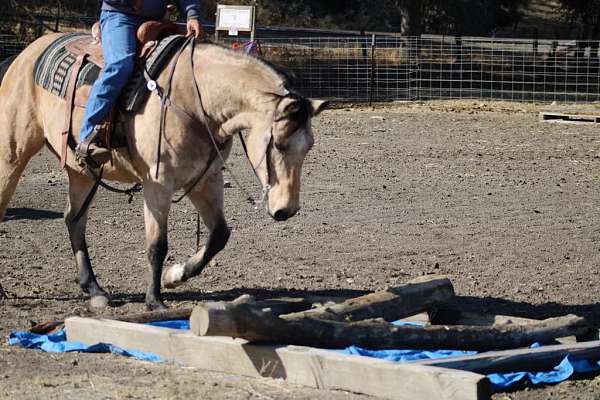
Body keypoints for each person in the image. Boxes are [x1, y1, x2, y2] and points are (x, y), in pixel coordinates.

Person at [76, 0, 203, 163]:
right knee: (120, 65)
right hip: (120, 15)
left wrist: (192, 15)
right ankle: (87, 136)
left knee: (182, 64)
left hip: (157, 20)